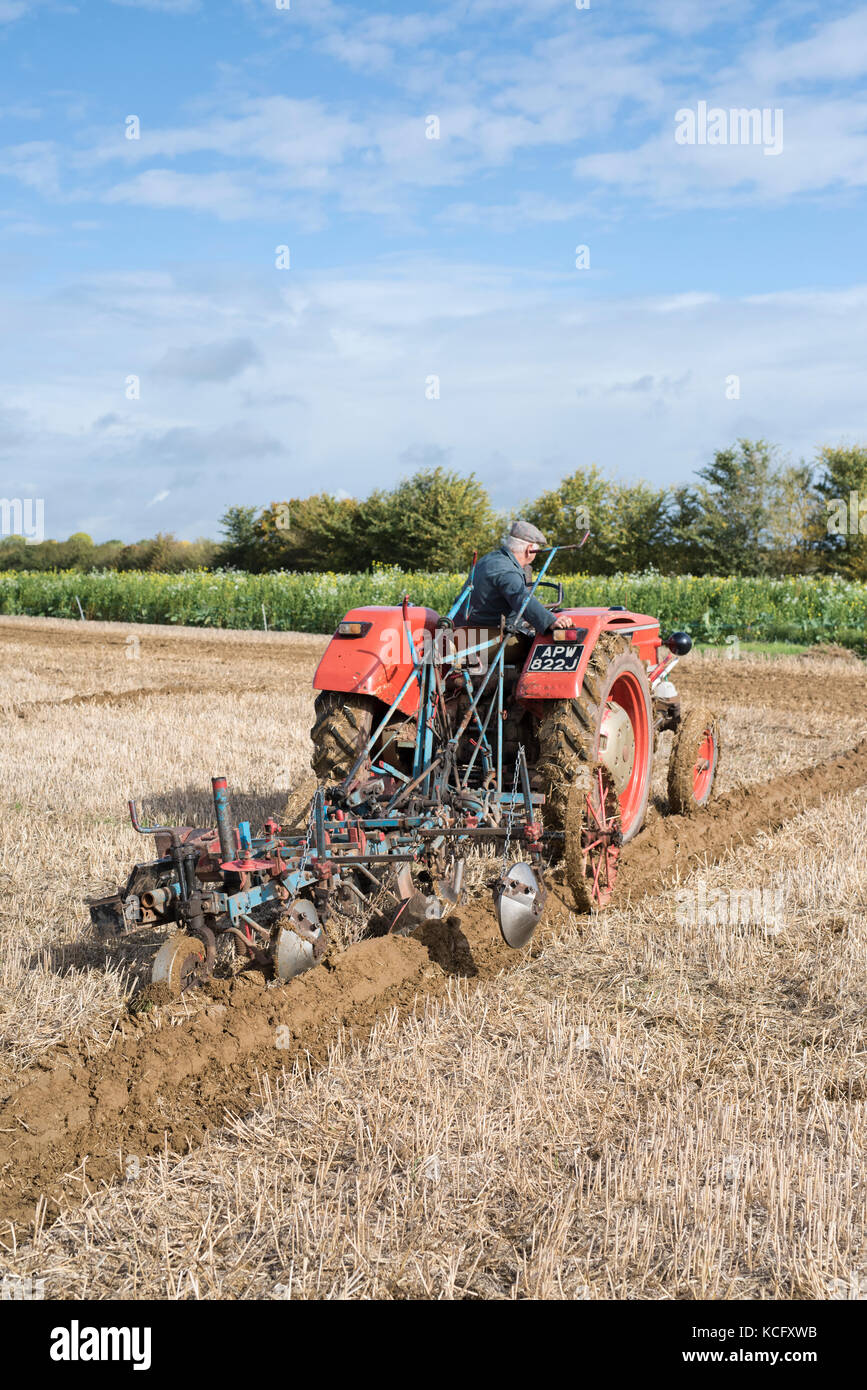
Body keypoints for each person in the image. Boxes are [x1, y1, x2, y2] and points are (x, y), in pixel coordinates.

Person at [459, 520, 572, 635]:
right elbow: (521, 598)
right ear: (529, 549)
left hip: (462, 631)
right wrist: (550, 621)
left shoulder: (489, 559)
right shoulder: (507, 570)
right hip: (486, 637)